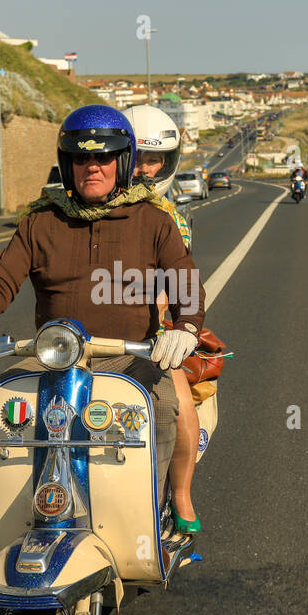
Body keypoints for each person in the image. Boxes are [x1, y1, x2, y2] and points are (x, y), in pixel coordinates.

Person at [0, 105, 205, 533]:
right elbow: (1, 277)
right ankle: (0, 516)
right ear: (66, 164)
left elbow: (184, 282)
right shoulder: (40, 221)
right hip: (53, 358)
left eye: (104, 157)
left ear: (121, 162)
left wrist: (185, 328)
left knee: (163, 406)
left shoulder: (155, 220)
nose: (93, 167)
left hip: (127, 357)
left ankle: (149, 512)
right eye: (81, 158)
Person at [124, 104, 201, 531]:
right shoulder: (90, 202)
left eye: (154, 159)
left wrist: (171, 330)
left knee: (177, 401)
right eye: (135, 156)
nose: (144, 169)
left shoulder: (172, 216)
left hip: (148, 331)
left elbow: (174, 281)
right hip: (82, 332)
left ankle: (180, 495)